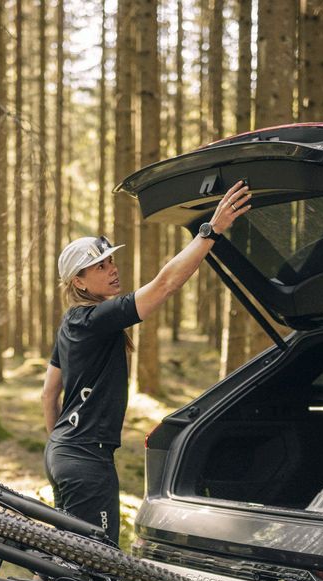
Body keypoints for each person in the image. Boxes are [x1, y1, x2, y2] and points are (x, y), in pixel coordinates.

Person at [42, 179, 252, 546]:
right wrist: (211, 231)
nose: (112, 269)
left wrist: (60, 447)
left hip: (65, 454)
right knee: (97, 560)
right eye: (100, 266)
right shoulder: (94, 318)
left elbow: (48, 395)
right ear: (79, 280)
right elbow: (165, 284)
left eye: (111, 261)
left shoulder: (72, 321)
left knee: (68, 558)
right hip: (85, 460)